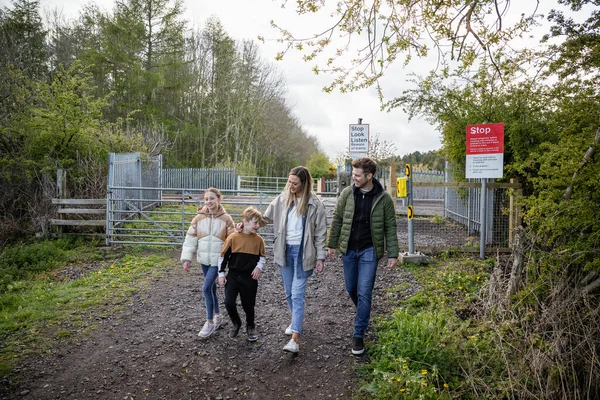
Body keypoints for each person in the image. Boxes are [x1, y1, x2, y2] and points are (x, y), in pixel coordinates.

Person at [327, 157, 399, 356]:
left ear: (369, 175)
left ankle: (358, 335)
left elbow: (390, 227)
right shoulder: (347, 194)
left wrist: (393, 254)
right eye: (353, 174)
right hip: (349, 249)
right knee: (351, 288)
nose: (354, 178)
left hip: (369, 250)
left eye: (358, 175)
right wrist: (332, 244)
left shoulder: (383, 199)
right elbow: (338, 219)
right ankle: (364, 312)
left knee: (364, 291)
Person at [263, 166, 328, 354]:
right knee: (289, 294)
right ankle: (295, 322)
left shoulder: (315, 204)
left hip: (303, 253)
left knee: (297, 294)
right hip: (284, 251)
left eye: (295, 183)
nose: (290, 185)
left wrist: (321, 257)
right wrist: (249, 222)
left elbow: (321, 233)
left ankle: (295, 338)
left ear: (304, 183)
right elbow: (265, 218)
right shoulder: (283, 199)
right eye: (289, 181)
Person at [181, 187, 235, 338]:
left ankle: (209, 321)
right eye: (206, 199)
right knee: (211, 289)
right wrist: (186, 258)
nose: (209, 201)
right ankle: (217, 316)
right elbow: (190, 238)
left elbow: (232, 240)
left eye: (212, 198)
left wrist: (229, 263)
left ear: (219, 199)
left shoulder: (226, 219)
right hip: (204, 259)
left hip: (218, 261)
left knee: (205, 288)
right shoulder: (198, 218)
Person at [218, 206, 266, 342]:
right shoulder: (233, 238)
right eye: (255, 223)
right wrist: (221, 274)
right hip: (233, 275)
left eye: (259, 223)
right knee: (229, 302)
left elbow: (262, 257)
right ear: (244, 221)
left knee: (249, 305)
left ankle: (250, 326)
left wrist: (258, 268)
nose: (257, 226)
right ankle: (236, 322)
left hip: (249, 278)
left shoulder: (258, 240)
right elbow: (223, 257)